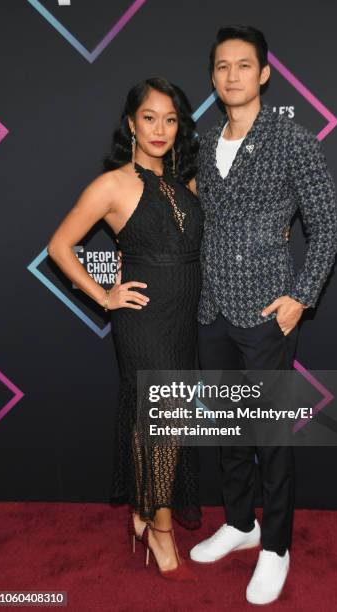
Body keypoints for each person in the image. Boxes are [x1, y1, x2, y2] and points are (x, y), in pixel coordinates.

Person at [189, 25, 337, 604]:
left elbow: (326, 225)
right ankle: (240, 523)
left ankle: (275, 546)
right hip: (212, 309)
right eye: (222, 66)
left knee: (271, 436)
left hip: (266, 311)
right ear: (213, 76)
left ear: (265, 73)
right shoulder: (204, 144)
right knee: (229, 430)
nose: (232, 75)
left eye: (243, 65)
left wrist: (300, 298)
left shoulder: (292, 138)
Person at [47, 77, 203, 582]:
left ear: (179, 127)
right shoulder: (113, 184)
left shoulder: (186, 185)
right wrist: (103, 295)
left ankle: (143, 511)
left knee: (164, 424)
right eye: (150, 117)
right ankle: (160, 530)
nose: (160, 128)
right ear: (131, 124)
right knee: (163, 421)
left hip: (183, 322)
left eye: (171, 119)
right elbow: (60, 246)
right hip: (143, 321)